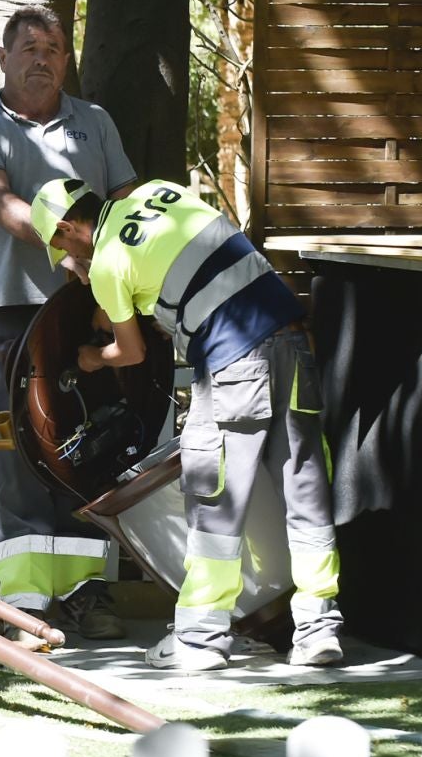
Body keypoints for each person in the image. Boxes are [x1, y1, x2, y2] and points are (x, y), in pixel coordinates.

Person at [28, 175, 346, 670]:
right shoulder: (161, 192)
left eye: (63, 246)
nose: (72, 259)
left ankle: (201, 639)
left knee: (214, 492)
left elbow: (130, 352)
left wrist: (92, 360)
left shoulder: (110, 261)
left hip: (235, 359)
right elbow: (197, 269)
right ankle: (319, 628)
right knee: (303, 483)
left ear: (70, 228)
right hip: (293, 339)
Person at [0, 4, 137, 649]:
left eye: (53, 47)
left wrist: (113, 280)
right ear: (2, 58)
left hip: (87, 312)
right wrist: (70, 250)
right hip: (9, 311)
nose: (41, 58)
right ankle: (26, 604)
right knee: (15, 450)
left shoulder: (97, 123)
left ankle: (87, 596)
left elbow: (122, 207)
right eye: (28, 47)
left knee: (85, 448)